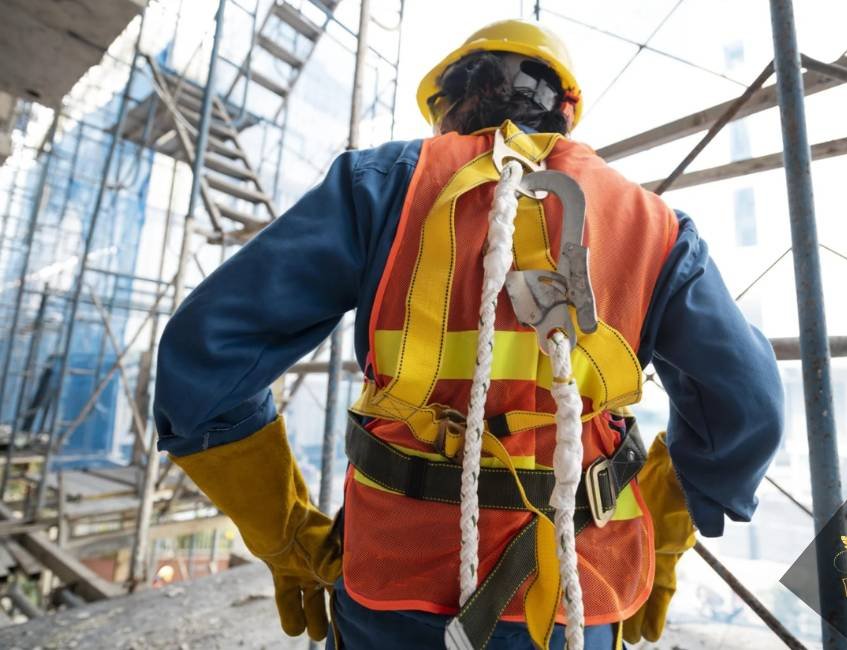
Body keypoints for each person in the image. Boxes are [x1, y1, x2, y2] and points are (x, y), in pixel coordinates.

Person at [153, 18, 783, 650]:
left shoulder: (381, 187)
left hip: (394, 583)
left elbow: (205, 355)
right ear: (564, 109)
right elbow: (747, 404)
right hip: (577, 590)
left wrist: (282, 530)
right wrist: (668, 526)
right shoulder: (650, 224)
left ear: (448, 106)